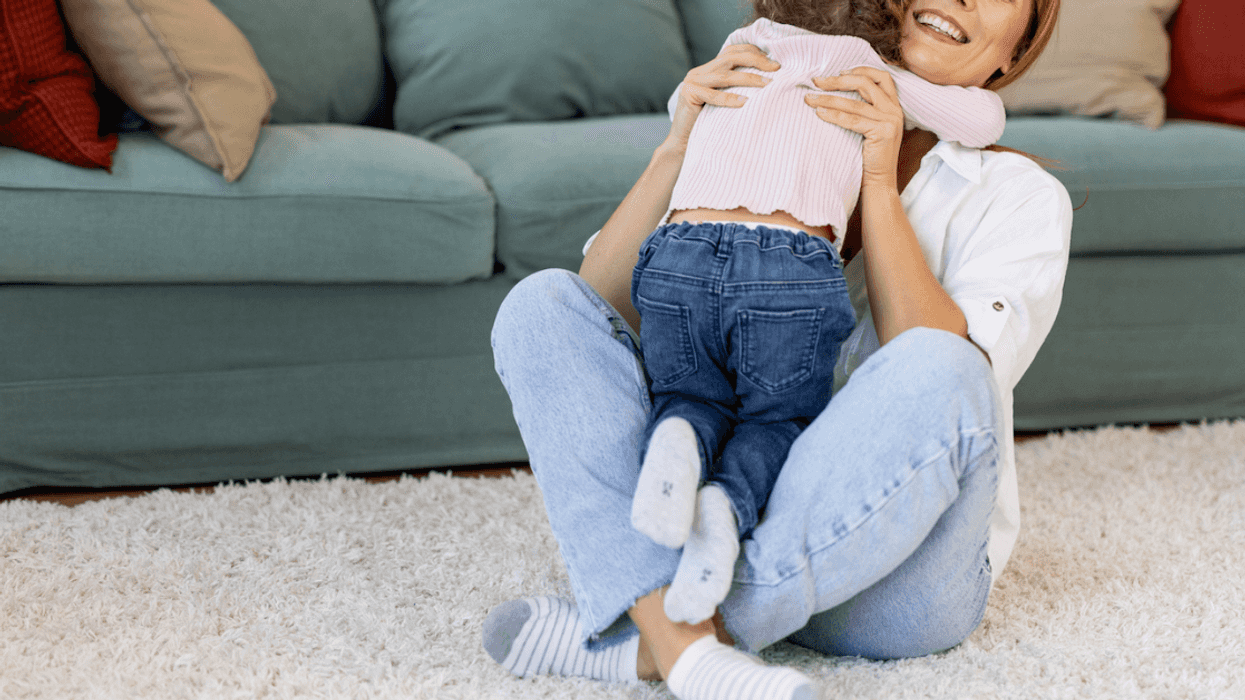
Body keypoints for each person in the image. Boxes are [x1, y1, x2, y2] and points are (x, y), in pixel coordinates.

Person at [483, 0, 1069, 698]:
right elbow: (603, 312)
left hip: (890, 583)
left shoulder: (1021, 197)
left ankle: (654, 634)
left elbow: (943, 390)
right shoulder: (767, 100)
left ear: (1013, 53)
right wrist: (678, 147)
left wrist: (878, 183)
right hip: (714, 535)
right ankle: (688, 647)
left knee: (947, 363)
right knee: (542, 306)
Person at [628, 7, 1011, 630]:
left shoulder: (746, 43)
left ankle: (675, 440)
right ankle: (725, 506)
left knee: (687, 396)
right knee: (775, 421)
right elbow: (983, 119)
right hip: (785, 263)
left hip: (679, 252)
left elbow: (690, 101)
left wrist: (685, 121)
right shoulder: (866, 67)